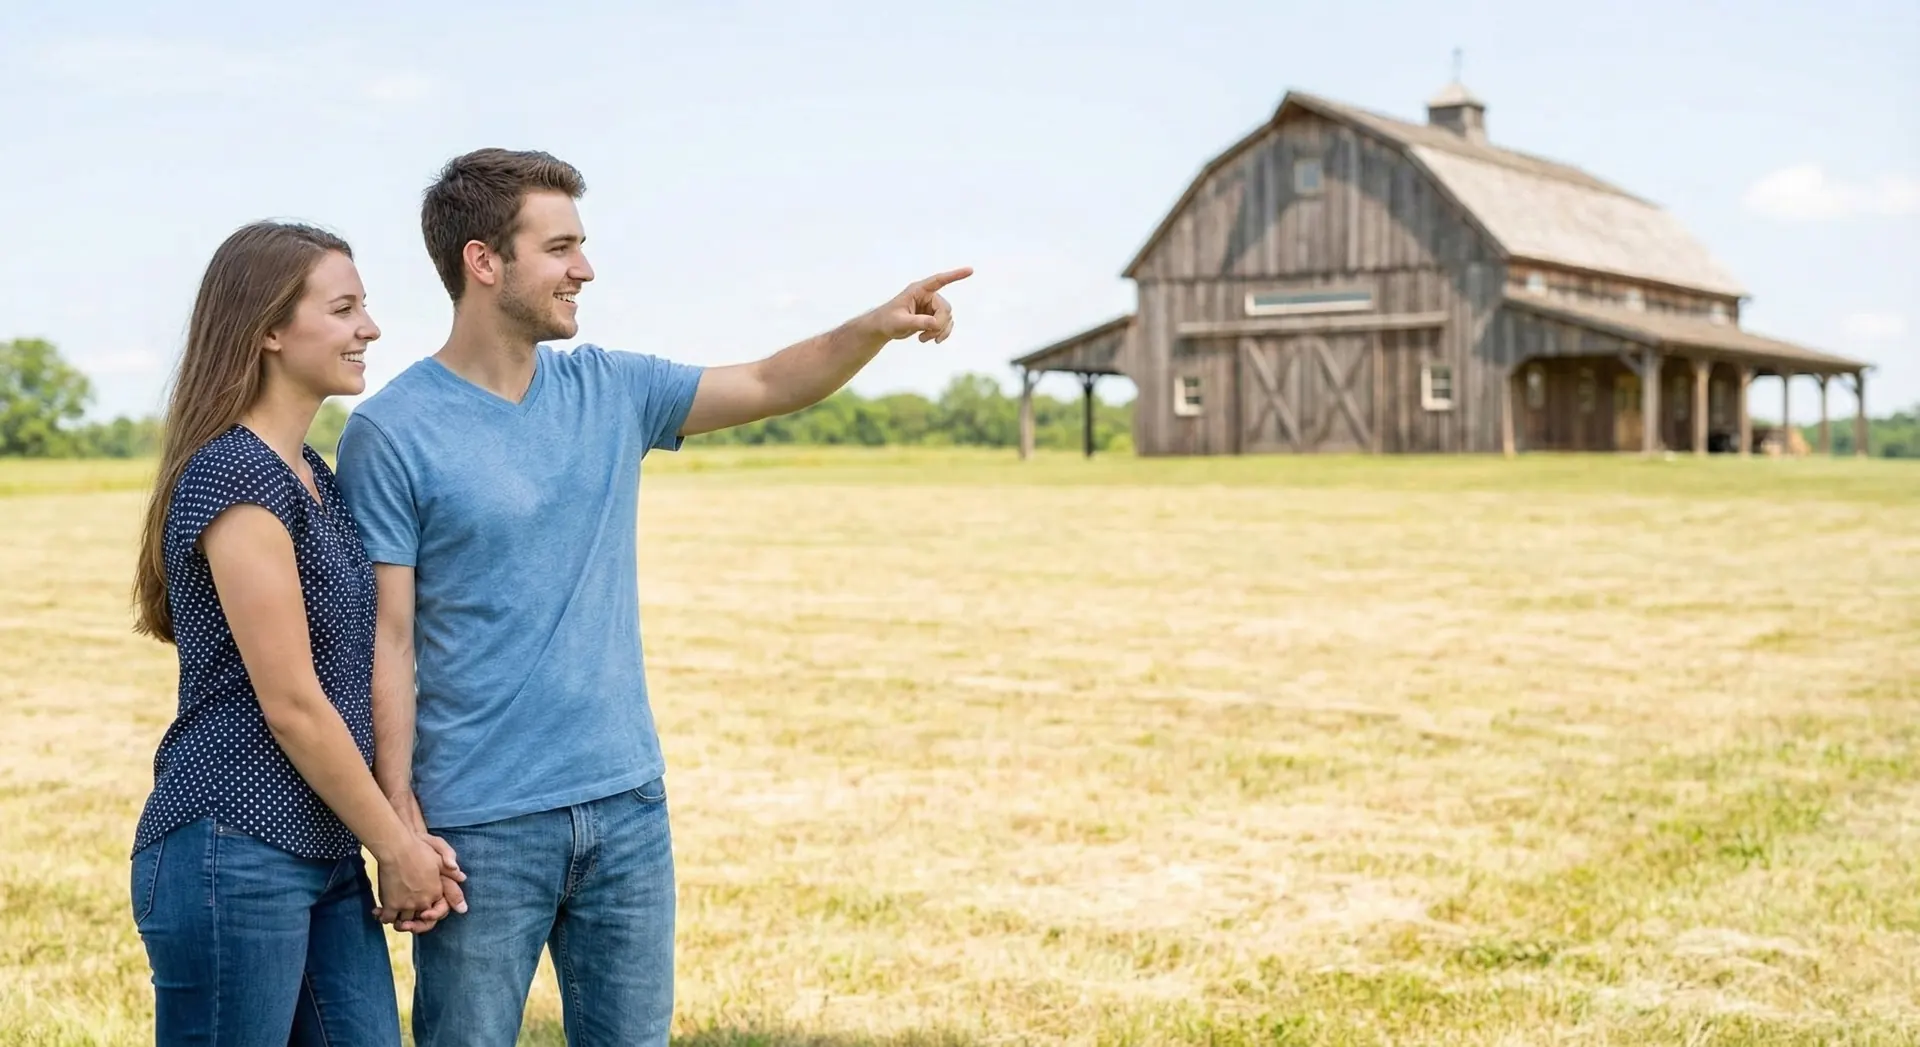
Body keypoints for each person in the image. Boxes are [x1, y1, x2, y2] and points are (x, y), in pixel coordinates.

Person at [331, 147, 966, 1046]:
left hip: (628, 805)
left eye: (580, 246)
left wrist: (873, 326)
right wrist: (397, 817)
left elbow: (771, 380)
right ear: (484, 261)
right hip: (480, 829)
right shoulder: (391, 433)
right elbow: (384, 643)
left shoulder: (612, 388)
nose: (583, 268)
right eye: (559, 248)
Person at [128, 219, 466, 1045]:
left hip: (322, 852)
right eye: (345, 308)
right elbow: (293, 702)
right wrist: (398, 844)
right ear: (271, 330)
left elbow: (367, 658)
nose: (370, 328)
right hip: (230, 849)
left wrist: (396, 827)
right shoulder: (235, 476)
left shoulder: (311, 473)